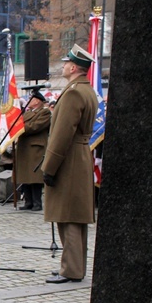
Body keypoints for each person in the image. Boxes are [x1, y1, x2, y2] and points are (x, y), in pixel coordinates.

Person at [42, 44, 98, 284]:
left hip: (69, 159)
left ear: (74, 67)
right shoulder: (86, 90)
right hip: (79, 155)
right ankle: (73, 266)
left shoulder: (74, 92)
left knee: (69, 216)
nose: (63, 66)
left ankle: (72, 270)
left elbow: (62, 134)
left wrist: (49, 166)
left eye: (66, 63)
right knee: (73, 215)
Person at [15, 91, 50, 211]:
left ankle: (37, 203)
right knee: (25, 176)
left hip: (36, 148)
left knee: (35, 178)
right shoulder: (27, 113)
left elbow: (36, 126)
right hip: (25, 147)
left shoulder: (45, 112)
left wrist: (20, 128)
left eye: (31, 98)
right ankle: (28, 202)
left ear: (38, 101)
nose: (28, 100)